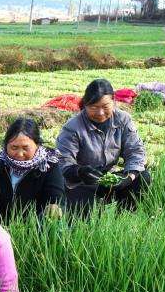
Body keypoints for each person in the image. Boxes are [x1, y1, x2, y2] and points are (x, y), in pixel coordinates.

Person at [56, 78, 151, 212]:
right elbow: (62, 162)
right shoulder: (72, 127)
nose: (100, 113)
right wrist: (79, 171)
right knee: (83, 218)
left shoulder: (123, 120)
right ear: (85, 104)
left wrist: (128, 177)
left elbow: (135, 151)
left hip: (106, 180)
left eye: (105, 107)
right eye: (93, 107)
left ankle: (124, 217)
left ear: (114, 101)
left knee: (142, 177)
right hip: (81, 183)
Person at [0, 117, 64, 223]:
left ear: (37, 145)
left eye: (26, 148)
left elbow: (55, 195)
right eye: (14, 147)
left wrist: (53, 207)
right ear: (6, 145)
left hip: (35, 228)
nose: (20, 154)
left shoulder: (49, 164)